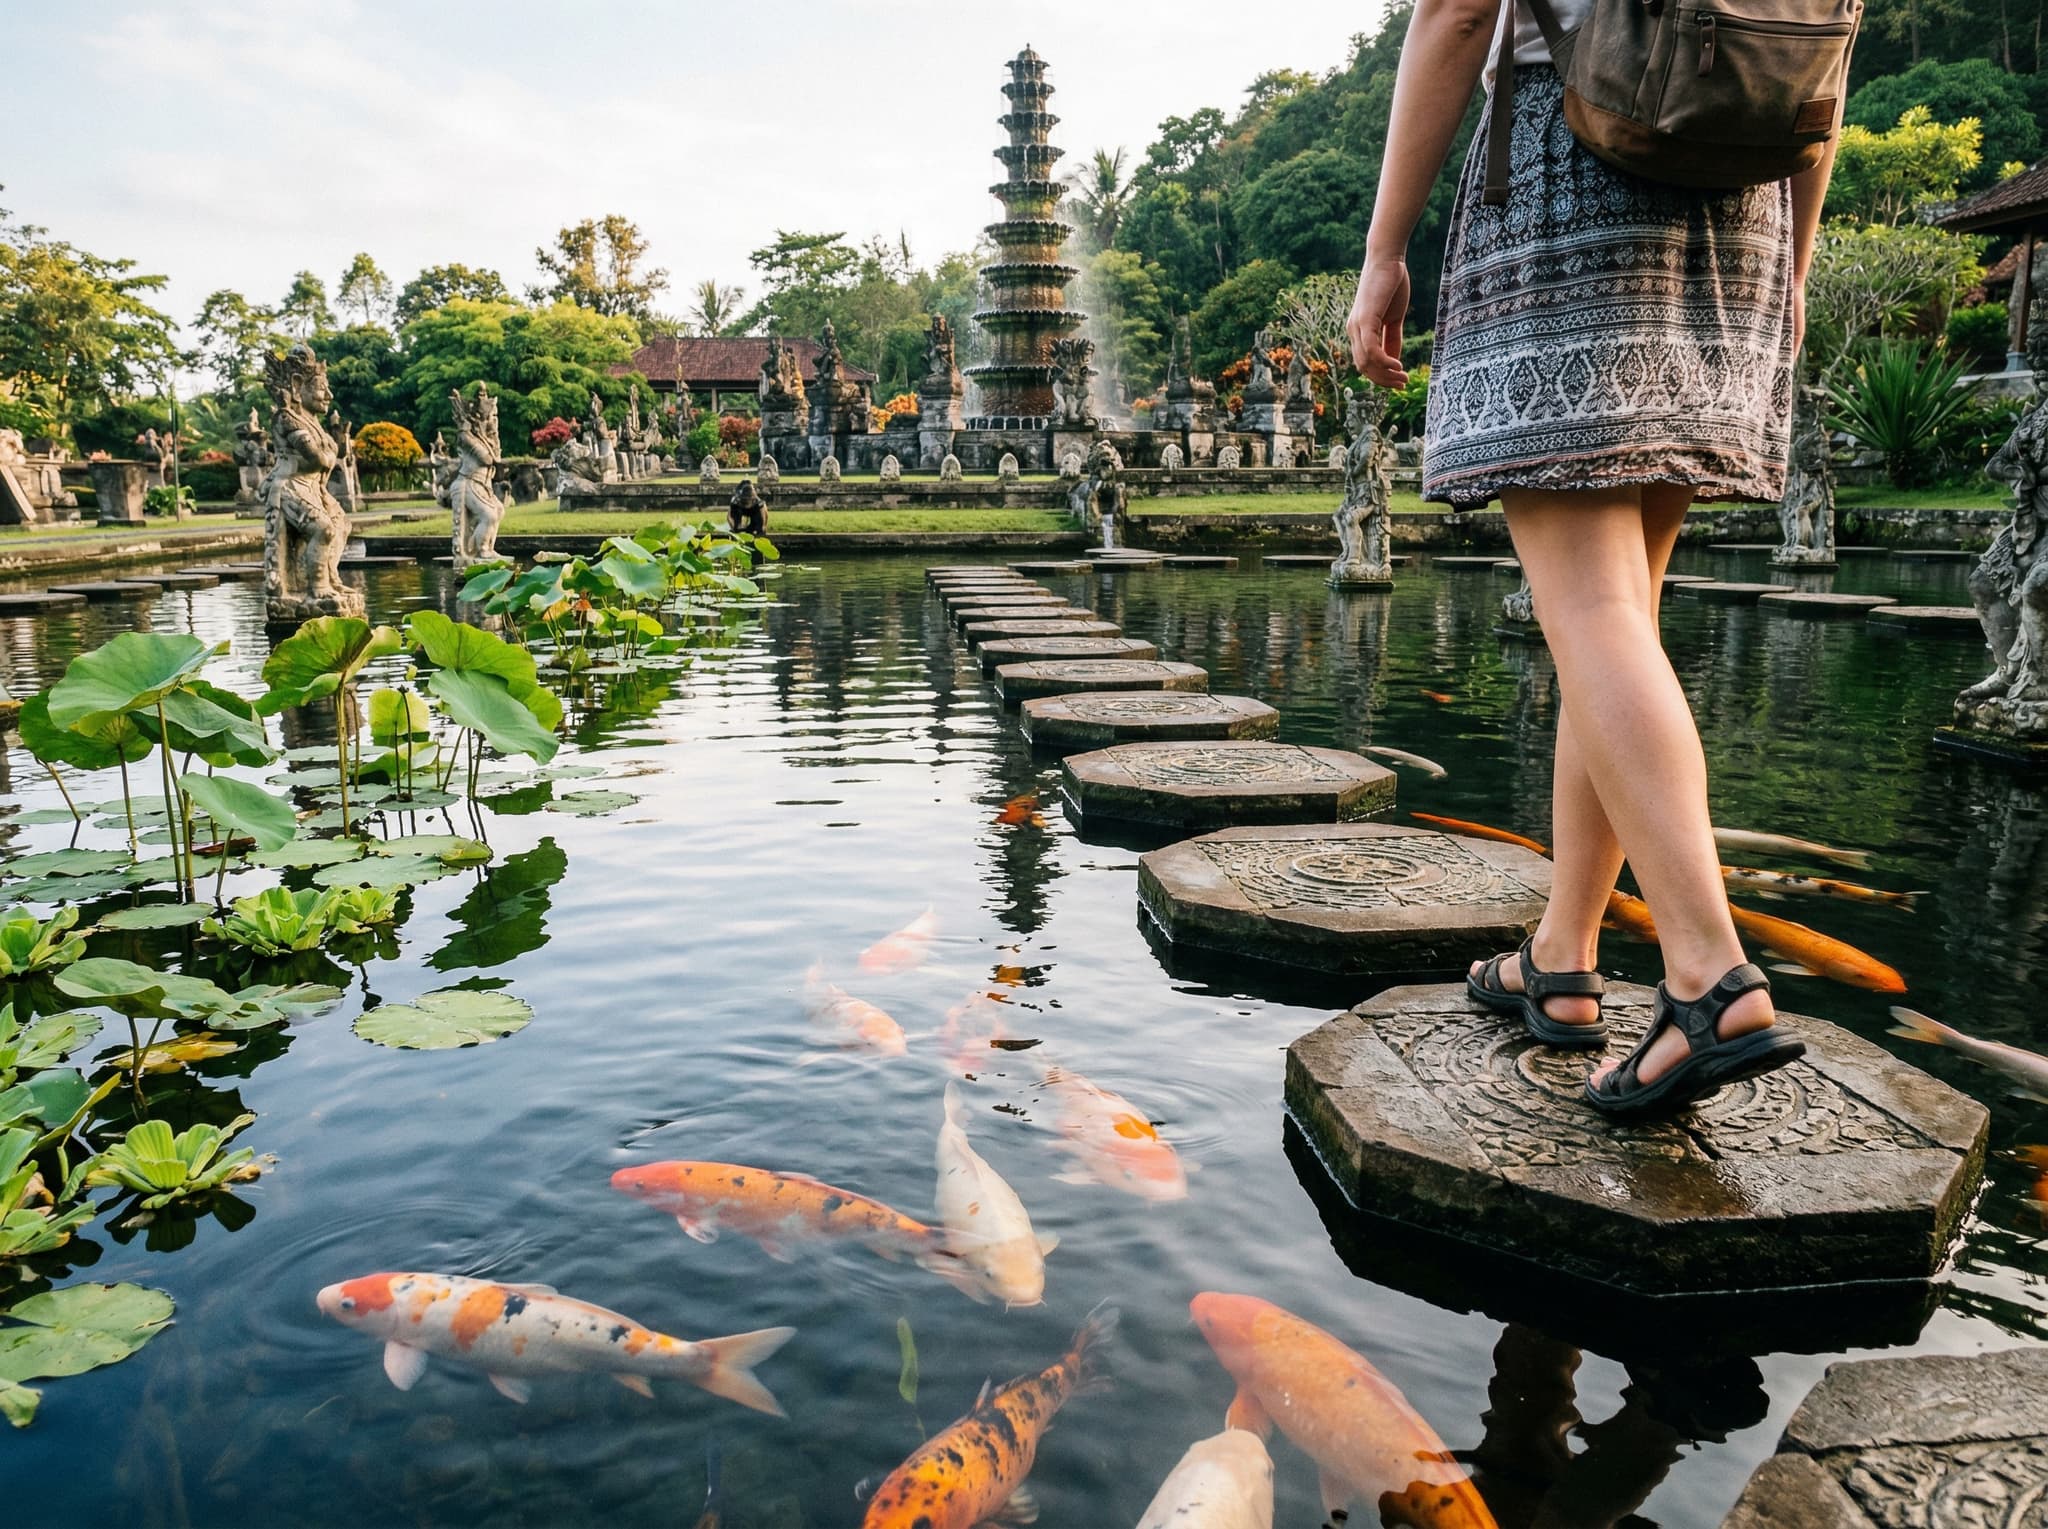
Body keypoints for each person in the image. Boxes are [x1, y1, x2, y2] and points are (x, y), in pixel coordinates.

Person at [1348, 0, 1842, 1118]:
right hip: (1744, 202)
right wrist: (1793, 265)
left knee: (1590, 609)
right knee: (1617, 613)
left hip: (1569, 175)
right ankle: (1562, 956)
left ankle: (1709, 979)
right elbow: (1821, 50)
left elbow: (1458, 10)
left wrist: (1385, 251)